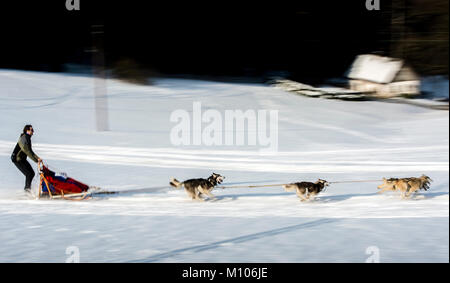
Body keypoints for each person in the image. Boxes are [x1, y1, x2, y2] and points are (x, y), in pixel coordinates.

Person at [11, 125, 42, 192]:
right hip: (17, 159)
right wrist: (36, 160)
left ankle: (28, 189)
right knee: (29, 174)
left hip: (22, 159)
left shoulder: (27, 138)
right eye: (31, 130)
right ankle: (27, 191)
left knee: (32, 173)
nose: (33, 131)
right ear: (27, 131)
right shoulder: (24, 138)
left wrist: (38, 158)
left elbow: (30, 151)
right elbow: (27, 151)